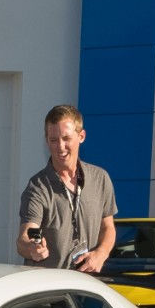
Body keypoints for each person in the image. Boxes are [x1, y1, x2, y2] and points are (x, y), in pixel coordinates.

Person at [17, 104, 117, 273]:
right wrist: (33, 247)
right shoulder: (38, 187)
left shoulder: (100, 178)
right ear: (46, 140)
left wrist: (101, 253)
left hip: (88, 287)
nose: (60, 147)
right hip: (49, 291)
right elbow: (28, 234)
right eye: (53, 140)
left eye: (66, 138)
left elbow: (108, 227)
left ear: (81, 136)